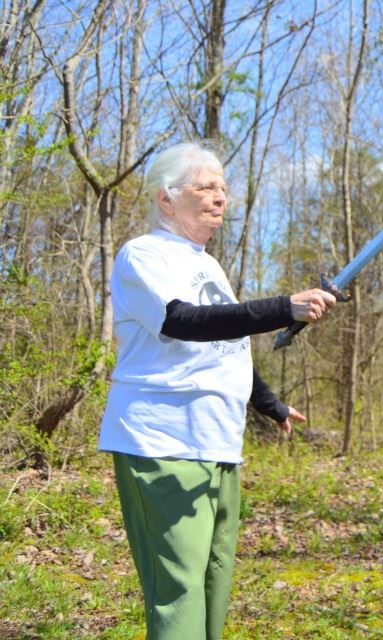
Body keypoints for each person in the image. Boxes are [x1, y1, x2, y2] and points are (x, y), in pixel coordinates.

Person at [98, 142, 339, 640]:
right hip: (162, 443)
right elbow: (183, 321)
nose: (220, 196)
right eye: (206, 186)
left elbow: (222, 345)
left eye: (224, 188)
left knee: (212, 583)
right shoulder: (144, 254)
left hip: (217, 443)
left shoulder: (208, 264)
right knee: (178, 591)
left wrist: (269, 404)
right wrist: (282, 308)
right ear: (167, 199)